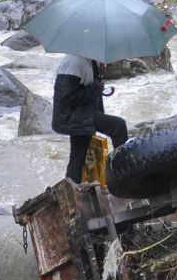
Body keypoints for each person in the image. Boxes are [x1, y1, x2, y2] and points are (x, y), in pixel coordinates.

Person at [52, 54, 128, 183]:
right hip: (72, 116)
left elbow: (87, 89)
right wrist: (94, 89)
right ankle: (123, 175)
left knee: (77, 156)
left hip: (83, 113)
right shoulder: (73, 62)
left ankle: (72, 187)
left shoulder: (90, 60)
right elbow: (65, 98)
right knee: (118, 126)